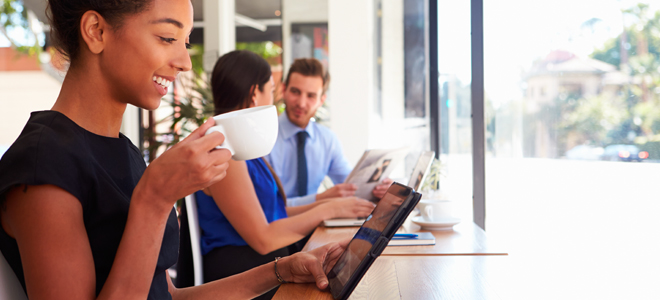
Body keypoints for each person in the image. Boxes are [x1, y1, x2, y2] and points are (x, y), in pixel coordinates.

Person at [0, 1, 351, 299]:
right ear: (96, 31)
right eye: (168, 38)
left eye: (184, 41)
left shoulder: (122, 151)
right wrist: (154, 199)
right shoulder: (43, 166)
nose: (184, 61)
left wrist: (282, 270)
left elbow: (167, 295)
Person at [197, 50, 376, 299]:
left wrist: (331, 203)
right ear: (254, 94)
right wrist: (328, 209)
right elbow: (263, 238)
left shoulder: (241, 144)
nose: (273, 99)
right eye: (271, 90)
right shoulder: (223, 149)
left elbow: (274, 214)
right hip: (241, 274)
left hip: (262, 263)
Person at [265, 58, 393, 207]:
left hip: (318, 225)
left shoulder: (327, 140)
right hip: (276, 225)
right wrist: (319, 199)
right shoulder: (265, 138)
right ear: (284, 89)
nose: (301, 103)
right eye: (295, 92)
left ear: (321, 100)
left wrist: (379, 189)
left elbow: (353, 187)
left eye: (311, 96)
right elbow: (267, 206)